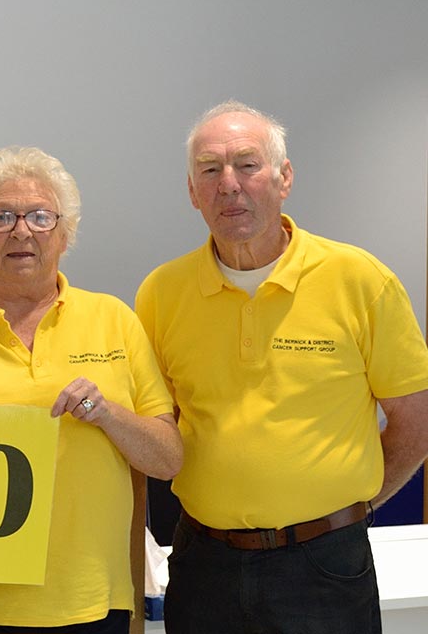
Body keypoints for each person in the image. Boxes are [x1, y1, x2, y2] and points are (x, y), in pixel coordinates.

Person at [135, 101, 428, 633]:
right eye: (209, 169)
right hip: (204, 564)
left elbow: (417, 420)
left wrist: (346, 506)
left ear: (284, 177)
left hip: (324, 567)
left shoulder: (360, 281)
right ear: (192, 191)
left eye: (247, 165)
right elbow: (158, 428)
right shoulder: (161, 293)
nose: (229, 184)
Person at [0, 146, 182, 634]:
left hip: (88, 606)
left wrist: (108, 413)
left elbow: (167, 459)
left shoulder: (114, 319)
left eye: (41, 217)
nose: (21, 231)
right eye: (1, 216)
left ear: (65, 234)